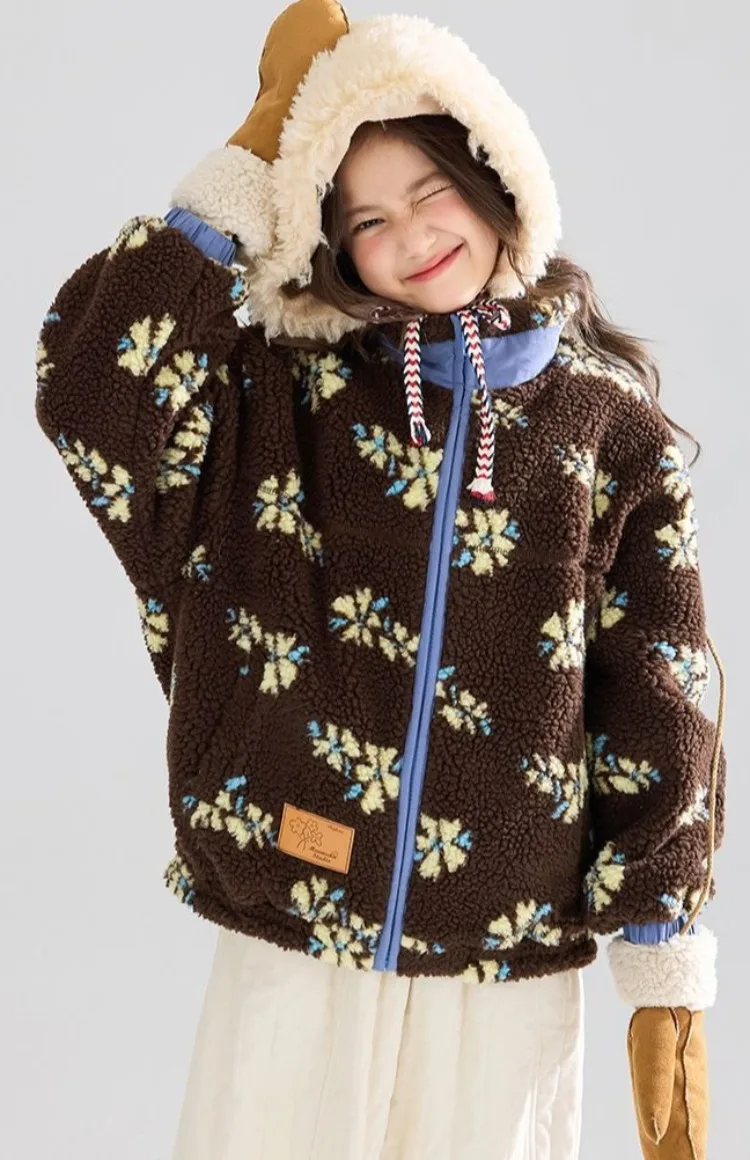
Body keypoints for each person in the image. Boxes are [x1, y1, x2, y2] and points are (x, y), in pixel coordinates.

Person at [34, 2, 727, 1158]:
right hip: (292, 921)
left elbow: (661, 694)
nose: (411, 233)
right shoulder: (276, 398)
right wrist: (255, 155)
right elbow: (96, 397)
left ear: (499, 177)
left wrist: (664, 955)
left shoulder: (612, 436)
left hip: (505, 962)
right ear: (332, 243)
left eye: (431, 189)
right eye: (366, 217)